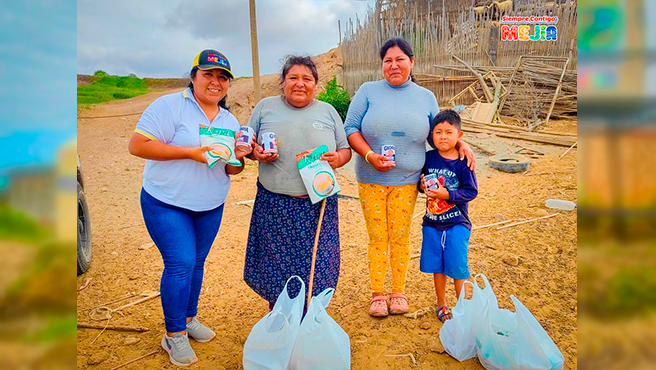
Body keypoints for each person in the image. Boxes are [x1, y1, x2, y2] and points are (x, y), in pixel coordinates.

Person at [128, 49, 252, 366]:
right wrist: (191, 152)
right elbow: (138, 145)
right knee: (181, 262)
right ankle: (173, 335)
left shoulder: (228, 119)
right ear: (193, 76)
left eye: (222, 77)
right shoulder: (170, 106)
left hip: (210, 205)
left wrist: (240, 155)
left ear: (228, 84)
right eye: (208, 74)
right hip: (166, 202)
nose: (215, 82)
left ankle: (188, 318)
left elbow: (231, 170)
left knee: (196, 263)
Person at [344, 38, 475, 317]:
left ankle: (398, 292)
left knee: (401, 238)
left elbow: (439, 132)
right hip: (371, 179)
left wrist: (460, 144)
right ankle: (378, 293)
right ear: (382, 65)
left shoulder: (425, 97)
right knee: (377, 237)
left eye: (400, 59)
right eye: (387, 60)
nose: (394, 65)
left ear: (411, 62)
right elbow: (351, 128)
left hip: (408, 182)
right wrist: (369, 156)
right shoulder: (367, 91)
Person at [243, 55, 351, 310]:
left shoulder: (327, 111)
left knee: (316, 262)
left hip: (319, 205)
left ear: (316, 84)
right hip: (274, 204)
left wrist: (337, 158)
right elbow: (247, 144)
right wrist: (254, 153)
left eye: (307, 79)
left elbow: (345, 150)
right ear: (283, 82)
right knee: (276, 264)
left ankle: (309, 315)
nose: (300, 84)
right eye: (293, 78)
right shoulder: (265, 107)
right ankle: (279, 315)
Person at [419, 110, 478, 323]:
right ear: (431, 135)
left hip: (457, 223)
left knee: (458, 266)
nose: (443, 137)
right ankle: (441, 304)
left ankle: (463, 306)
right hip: (432, 222)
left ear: (459, 136)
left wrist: (448, 194)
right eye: (438, 132)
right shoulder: (428, 158)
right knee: (438, 266)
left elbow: (471, 191)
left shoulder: (463, 161)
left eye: (449, 132)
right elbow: (420, 184)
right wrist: (422, 185)